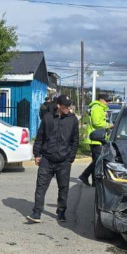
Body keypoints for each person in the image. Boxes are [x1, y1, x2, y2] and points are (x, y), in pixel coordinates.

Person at [28, 95, 79, 224]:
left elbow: (75, 140)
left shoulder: (72, 120)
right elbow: (40, 137)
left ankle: (61, 212)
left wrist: (71, 157)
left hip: (63, 160)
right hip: (47, 159)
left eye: (69, 106)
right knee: (40, 187)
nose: (68, 108)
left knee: (63, 188)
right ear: (58, 106)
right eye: (65, 106)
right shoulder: (47, 117)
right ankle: (36, 212)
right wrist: (37, 154)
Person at [80, 93, 111, 187]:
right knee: (98, 161)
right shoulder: (97, 108)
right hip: (96, 138)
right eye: (106, 101)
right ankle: (85, 175)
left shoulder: (99, 108)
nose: (107, 103)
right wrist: (108, 125)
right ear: (101, 100)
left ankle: (95, 182)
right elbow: (97, 123)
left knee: (96, 161)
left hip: (97, 138)